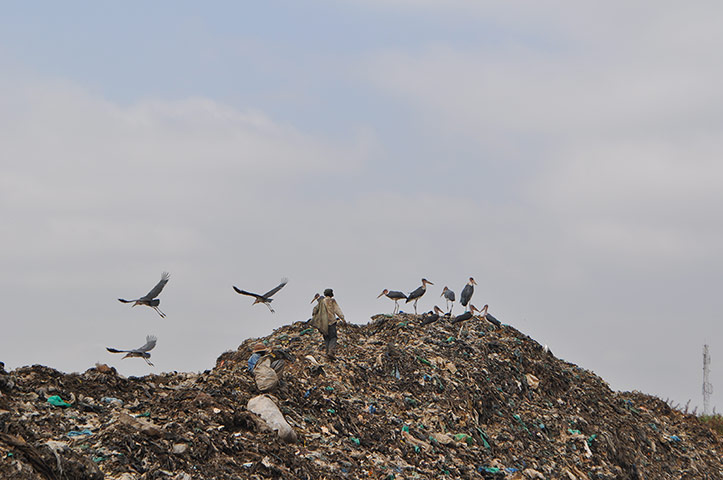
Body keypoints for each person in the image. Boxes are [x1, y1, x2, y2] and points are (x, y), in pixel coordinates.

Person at [311, 288, 345, 358]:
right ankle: (331, 352)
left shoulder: (321, 301)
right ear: (331, 294)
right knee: (333, 337)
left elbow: (314, 310)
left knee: (326, 338)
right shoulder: (332, 301)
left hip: (323, 323)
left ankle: (327, 353)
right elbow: (337, 310)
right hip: (331, 322)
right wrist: (343, 319)